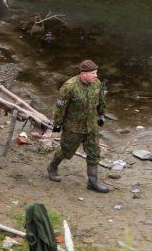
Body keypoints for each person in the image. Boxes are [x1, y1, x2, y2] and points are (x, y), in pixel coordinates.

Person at [46, 60, 110, 193]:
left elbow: (101, 101)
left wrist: (102, 115)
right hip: (73, 127)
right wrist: (57, 124)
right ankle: (52, 168)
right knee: (66, 150)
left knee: (94, 152)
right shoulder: (69, 87)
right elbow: (60, 108)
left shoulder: (96, 84)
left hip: (91, 125)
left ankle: (92, 182)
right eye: (92, 73)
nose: (95, 76)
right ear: (83, 74)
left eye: (96, 73)